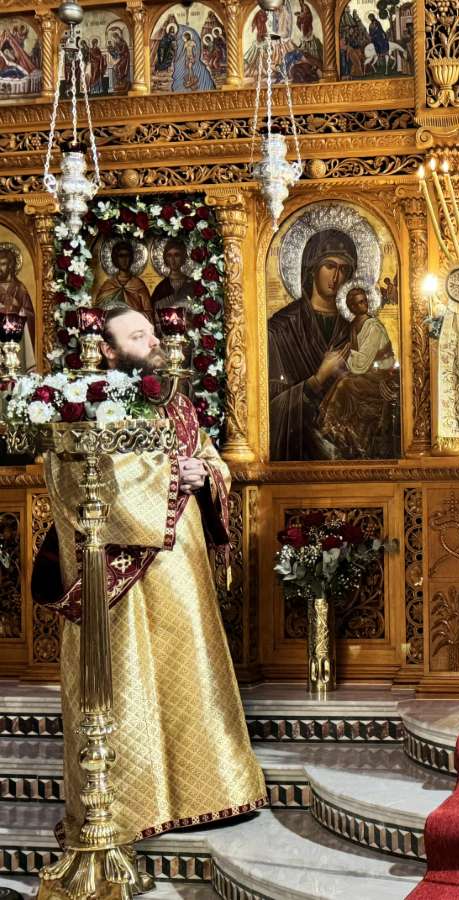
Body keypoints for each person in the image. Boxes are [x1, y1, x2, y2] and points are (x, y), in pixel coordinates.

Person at [34, 306, 267, 860]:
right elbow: (75, 479)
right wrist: (167, 477)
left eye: (154, 333)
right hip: (121, 576)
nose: (155, 342)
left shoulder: (176, 401)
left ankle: (215, 791)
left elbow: (209, 459)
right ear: (108, 350)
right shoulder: (88, 404)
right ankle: (131, 807)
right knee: (129, 677)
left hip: (183, 567)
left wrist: (204, 474)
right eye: (139, 336)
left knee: (192, 672)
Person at [267, 228, 356, 460]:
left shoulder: (354, 329)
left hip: (346, 449)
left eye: (343, 269)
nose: (336, 277)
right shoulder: (281, 328)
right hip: (296, 450)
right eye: (329, 266)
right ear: (312, 268)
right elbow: (268, 406)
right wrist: (317, 379)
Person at [316, 283, 398, 458]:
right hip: (367, 373)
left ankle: (335, 429)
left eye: (365, 300)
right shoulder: (354, 325)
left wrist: (344, 354)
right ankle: (337, 431)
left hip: (381, 376)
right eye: (359, 303)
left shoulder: (373, 326)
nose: (364, 304)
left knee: (345, 384)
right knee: (341, 380)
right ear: (351, 307)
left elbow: (362, 362)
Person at [96, 239, 153, 317]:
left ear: (131, 258)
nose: (124, 260)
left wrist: (133, 315)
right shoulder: (108, 285)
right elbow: (99, 313)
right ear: (115, 259)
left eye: (127, 256)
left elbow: (149, 314)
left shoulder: (139, 285)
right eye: (121, 256)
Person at [0, 243, 34, 369]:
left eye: (3, 264)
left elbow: (30, 315)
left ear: (10, 266)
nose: (0, 268)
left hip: (16, 339)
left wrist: (19, 310)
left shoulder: (20, 288)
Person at [150, 237, 197, 324]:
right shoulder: (160, 288)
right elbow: (154, 316)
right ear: (165, 259)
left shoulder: (192, 284)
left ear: (183, 257)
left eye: (176, 255)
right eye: (169, 255)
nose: (172, 260)